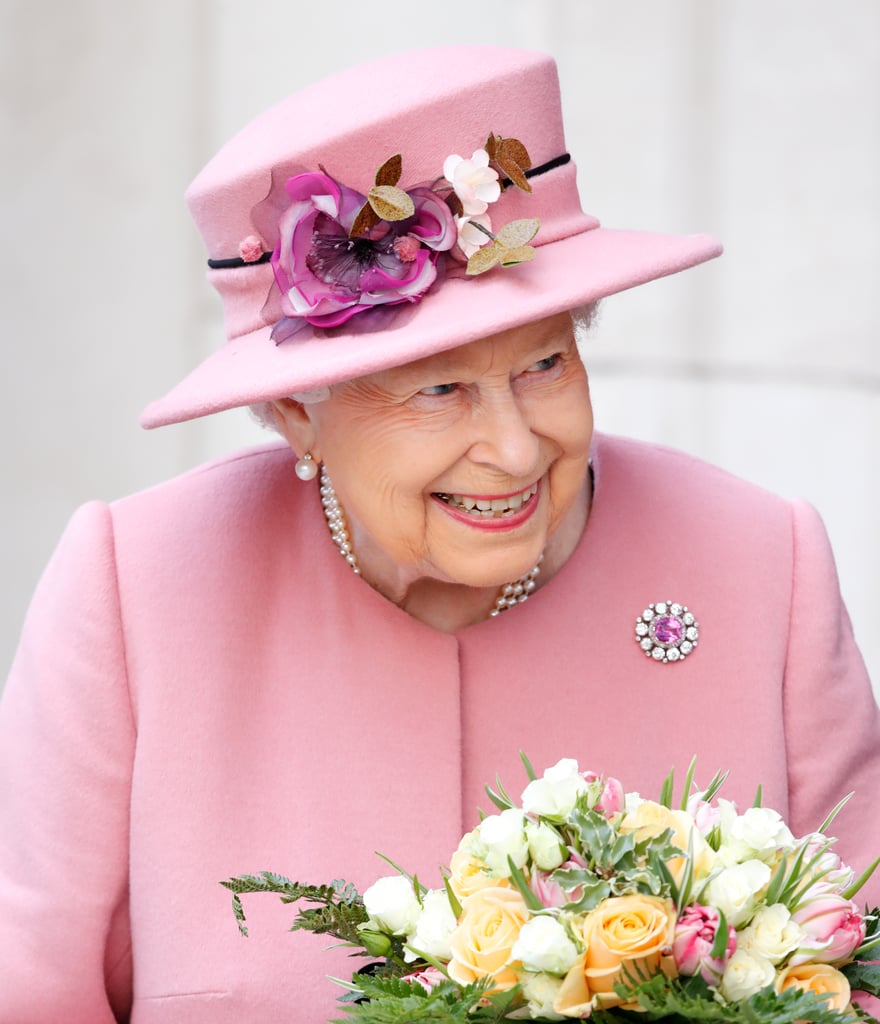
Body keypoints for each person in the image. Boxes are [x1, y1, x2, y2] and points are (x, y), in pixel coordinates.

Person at [1, 46, 878, 1024]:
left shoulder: (759, 566)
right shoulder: (137, 593)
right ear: (297, 413)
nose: (511, 447)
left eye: (545, 362)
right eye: (440, 389)